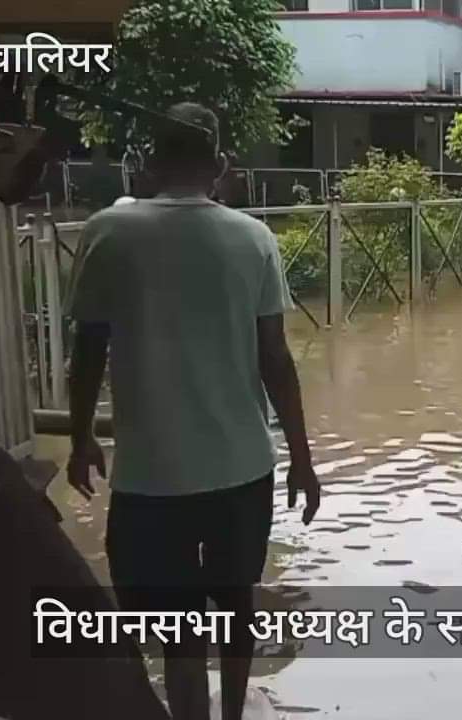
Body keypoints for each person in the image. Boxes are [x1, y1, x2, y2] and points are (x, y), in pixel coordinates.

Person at [65, 102, 320, 720]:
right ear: (221, 166)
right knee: (236, 610)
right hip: (241, 470)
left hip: (151, 477)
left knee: (177, 627)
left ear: (149, 163)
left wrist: (80, 439)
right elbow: (275, 361)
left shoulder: (106, 232)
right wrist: (303, 461)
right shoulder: (253, 237)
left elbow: (87, 352)